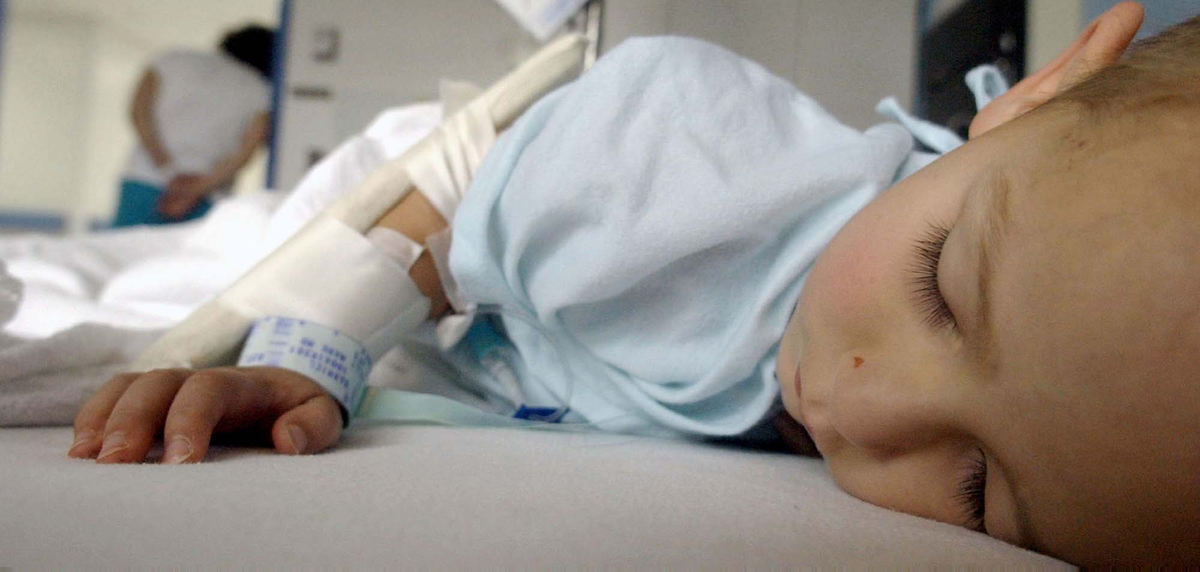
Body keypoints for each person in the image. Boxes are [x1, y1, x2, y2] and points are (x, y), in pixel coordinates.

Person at [69, 3, 1200, 565]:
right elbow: (443, 210)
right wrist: (305, 345)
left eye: (976, 489)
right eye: (938, 289)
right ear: (1021, 107)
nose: (860, 408)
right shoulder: (682, 172)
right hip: (464, 189)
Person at [110, 25, 274, 228]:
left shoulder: (171, 60)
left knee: (123, 252)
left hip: (145, 179)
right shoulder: (261, 90)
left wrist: (166, 168)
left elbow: (138, 113)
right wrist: (197, 188)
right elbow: (246, 152)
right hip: (207, 195)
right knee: (188, 257)